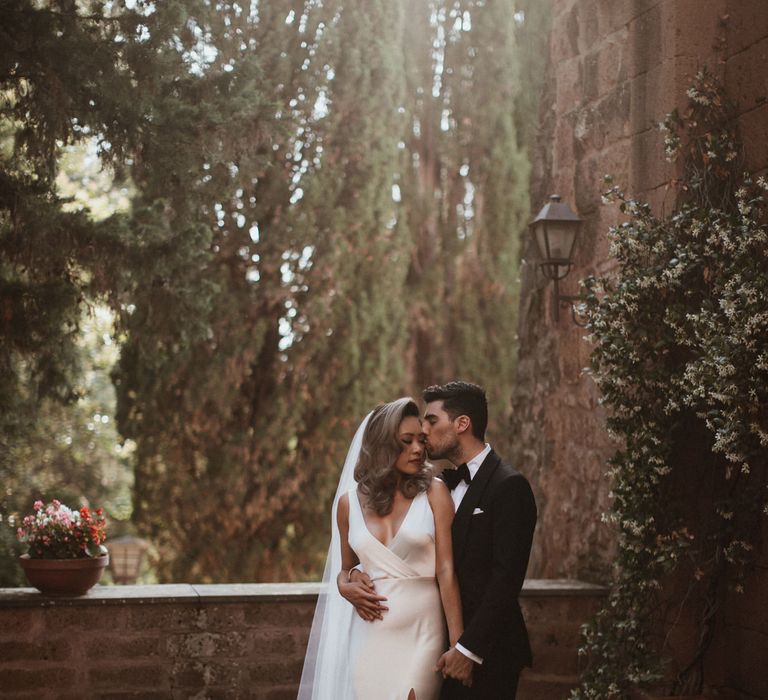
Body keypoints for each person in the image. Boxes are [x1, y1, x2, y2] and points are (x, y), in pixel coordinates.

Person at [298, 397, 464, 700]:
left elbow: (447, 571)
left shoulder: (435, 493)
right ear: (383, 445)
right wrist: (344, 584)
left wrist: (457, 645)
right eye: (406, 441)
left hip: (422, 636)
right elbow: (346, 569)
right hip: (369, 636)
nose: (418, 449)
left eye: (421, 440)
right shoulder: (348, 504)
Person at [423, 381, 537, 699]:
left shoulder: (510, 486)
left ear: (462, 424)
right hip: (434, 647)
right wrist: (349, 575)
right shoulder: (435, 486)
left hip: (489, 652)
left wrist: (467, 649)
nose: (423, 430)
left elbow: (506, 580)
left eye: (432, 420)